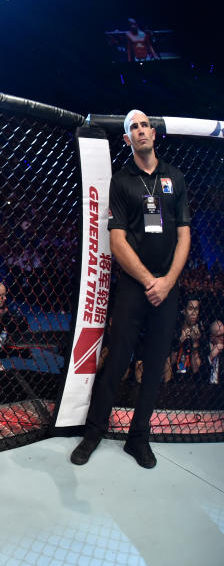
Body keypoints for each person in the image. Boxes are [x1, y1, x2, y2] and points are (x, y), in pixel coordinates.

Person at [71, 110, 191, 469]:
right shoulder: (122, 181)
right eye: (132, 128)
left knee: (155, 364)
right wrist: (147, 281)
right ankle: (94, 431)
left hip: (167, 287)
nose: (140, 131)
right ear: (127, 139)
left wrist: (167, 281)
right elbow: (117, 240)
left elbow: (184, 233)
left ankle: (138, 438)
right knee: (118, 358)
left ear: (153, 134)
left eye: (143, 125)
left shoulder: (176, 177)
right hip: (135, 287)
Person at [165, 297, 203, 383]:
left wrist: (195, 343)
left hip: (192, 381)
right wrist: (178, 342)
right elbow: (169, 362)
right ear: (184, 311)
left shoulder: (200, 332)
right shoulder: (175, 330)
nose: (193, 313)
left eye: (196, 309)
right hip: (172, 378)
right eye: (190, 309)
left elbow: (196, 370)